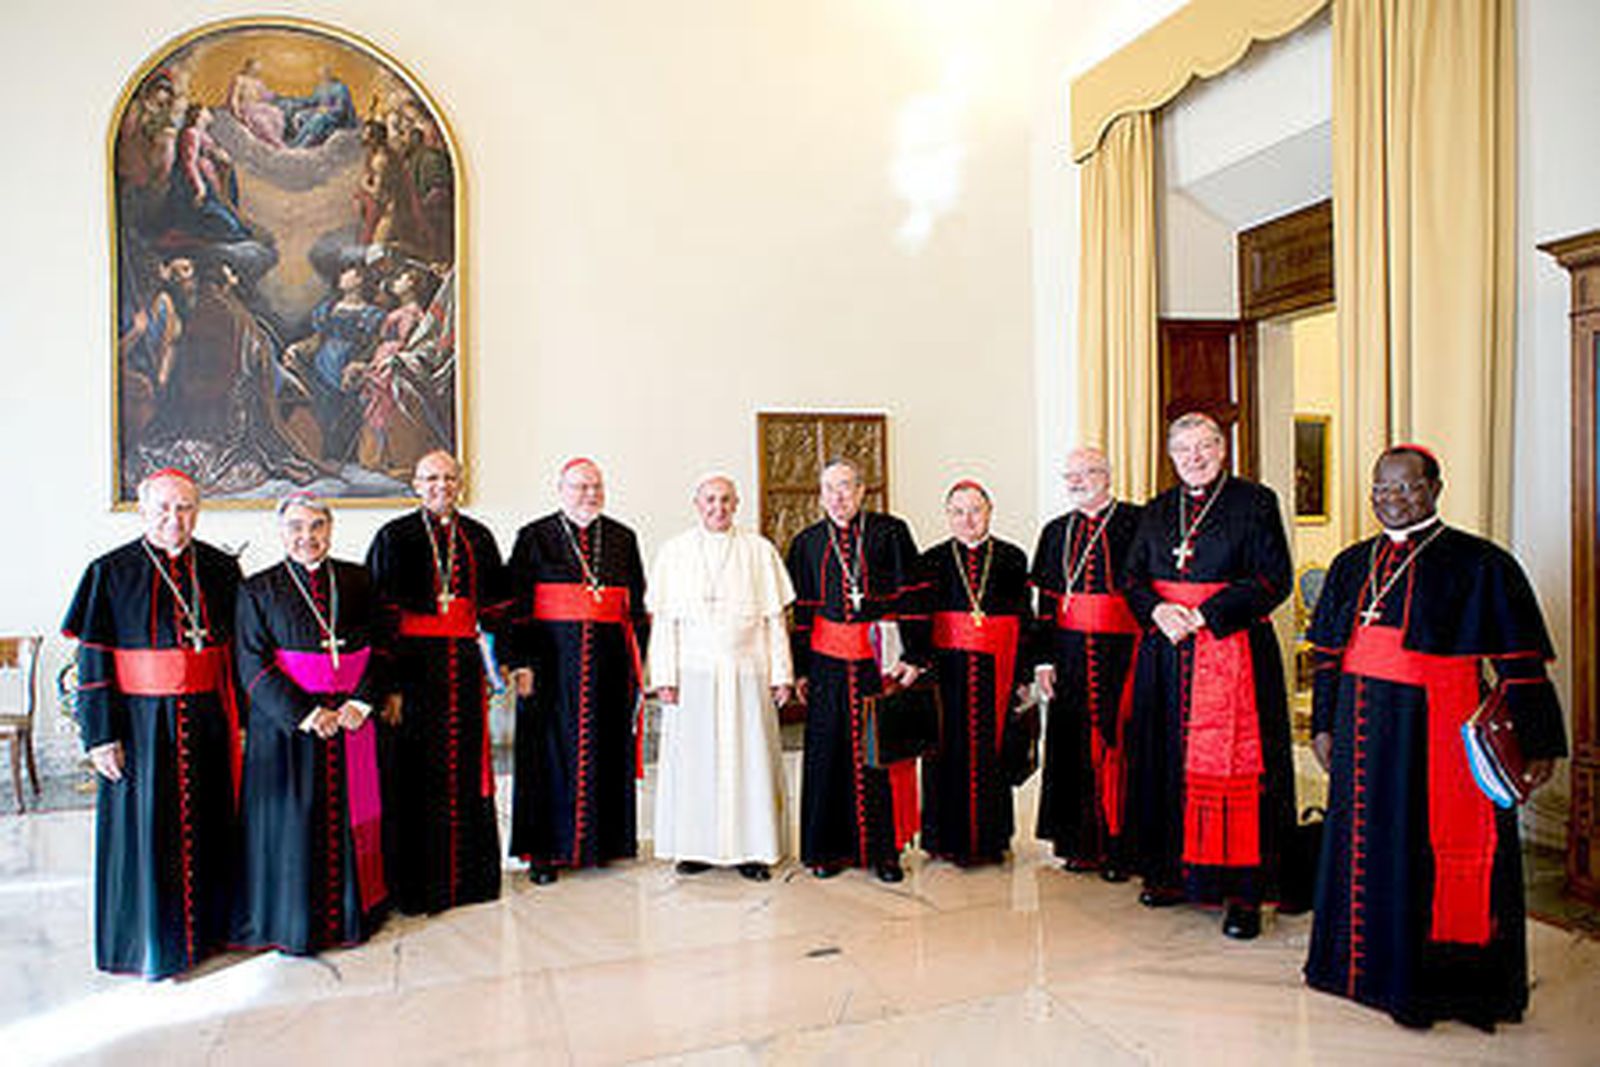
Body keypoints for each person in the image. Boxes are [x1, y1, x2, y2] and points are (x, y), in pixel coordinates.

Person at [1303, 446, 1566, 1031]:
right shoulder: (1351, 564)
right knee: (1359, 848)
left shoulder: (1480, 563)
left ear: (1434, 488)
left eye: (1404, 488)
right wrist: (1322, 725)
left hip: (1436, 737)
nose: (1390, 499)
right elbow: (1326, 658)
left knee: (1424, 853)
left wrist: (1541, 742)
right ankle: (1350, 971)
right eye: (1380, 489)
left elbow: (1521, 663)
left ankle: (1430, 987)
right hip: (1361, 730)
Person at [62, 468, 242, 979]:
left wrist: (244, 722)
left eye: (184, 507)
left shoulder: (220, 568)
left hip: (207, 719)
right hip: (139, 727)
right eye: (163, 507)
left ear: (198, 511)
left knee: (210, 824)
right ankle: (147, 944)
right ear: (143, 511)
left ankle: (210, 934)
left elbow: (238, 654)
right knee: (148, 832)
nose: (174, 518)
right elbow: (93, 662)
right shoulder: (109, 571)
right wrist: (99, 735)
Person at [1123, 412, 1295, 940]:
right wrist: (1155, 610)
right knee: (1164, 759)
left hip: (1231, 650)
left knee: (1235, 772)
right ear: (1171, 457)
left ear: (1223, 449)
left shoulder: (1254, 502)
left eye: (1204, 447)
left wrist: (1203, 615)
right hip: (1167, 654)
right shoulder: (1155, 510)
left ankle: (1242, 894)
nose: (1194, 458)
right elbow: (1131, 577)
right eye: (1183, 450)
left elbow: (1273, 579)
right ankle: (1170, 874)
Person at [233, 494, 389, 954]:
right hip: (287, 730)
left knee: (354, 818)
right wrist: (303, 713)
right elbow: (252, 665)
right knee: (293, 823)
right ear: (281, 533)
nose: (307, 536)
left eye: (317, 525)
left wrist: (362, 700)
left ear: (331, 527)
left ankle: (355, 913)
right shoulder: (258, 589)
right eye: (297, 527)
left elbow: (382, 645)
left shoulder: (359, 579)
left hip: (352, 721)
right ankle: (294, 920)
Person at [366, 451, 508, 914]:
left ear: (461, 483)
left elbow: (496, 611)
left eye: (449, 477)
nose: (441, 485)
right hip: (413, 675)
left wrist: (499, 664)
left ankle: (470, 882)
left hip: (464, 672)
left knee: (467, 771)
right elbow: (379, 618)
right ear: (415, 484)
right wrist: (387, 686)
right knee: (412, 776)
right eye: (431, 478)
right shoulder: (394, 537)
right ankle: (414, 886)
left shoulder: (478, 537)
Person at [505, 459, 648, 884]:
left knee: (606, 747)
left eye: (596, 486)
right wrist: (522, 662)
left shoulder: (623, 537)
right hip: (549, 665)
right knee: (547, 754)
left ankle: (604, 842)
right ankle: (545, 851)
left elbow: (636, 606)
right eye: (580, 486)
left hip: (609, 664)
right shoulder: (534, 536)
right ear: (560, 489)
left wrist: (639, 663)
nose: (589, 494)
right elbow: (516, 606)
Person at [647, 474, 795, 881]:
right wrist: (664, 675)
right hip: (692, 675)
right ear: (697, 504)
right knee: (694, 765)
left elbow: (773, 622)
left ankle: (753, 850)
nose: (718, 507)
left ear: (737, 504)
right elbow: (664, 623)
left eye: (726, 500)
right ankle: (695, 848)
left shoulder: (758, 550)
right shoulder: (675, 552)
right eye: (710, 500)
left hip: (748, 672)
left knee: (750, 763)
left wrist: (781, 674)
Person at [786, 458, 927, 883]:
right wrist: (802, 670)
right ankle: (826, 850)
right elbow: (802, 616)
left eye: (846, 487)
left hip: (877, 663)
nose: (838, 496)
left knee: (880, 755)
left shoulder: (890, 532)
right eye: (830, 488)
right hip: (828, 664)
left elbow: (914, 597)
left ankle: (885, 853)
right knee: (827, 753)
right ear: (820, 494)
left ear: (862, 490)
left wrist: (915, 656)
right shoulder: (807, 542)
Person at [1031, 448, 1144, 881]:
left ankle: (1125, 847)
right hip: (1070, 656)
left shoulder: (1137, 521)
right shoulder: (1055, 531)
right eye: (1071, 475)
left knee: (1125, 744)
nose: (1077, 481)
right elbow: (1045, 606)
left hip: (1125, 655)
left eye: (1087, 473)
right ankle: (1079, 844)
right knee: (1073, 745)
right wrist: (1042, 659)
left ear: (1107, 476)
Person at [918, 480, 1032, 867]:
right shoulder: (931, 559)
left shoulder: (1012, 558)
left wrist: (1022, 676)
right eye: (959, 511)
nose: (967, 519)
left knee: (992, 752)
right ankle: (941, 838)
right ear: (948, 516)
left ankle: (992, 838)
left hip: (995, 673)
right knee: (944, 751)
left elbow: (1024, 618)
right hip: (946, 673)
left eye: (975, 510)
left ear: (990, 511)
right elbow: (920, 621)